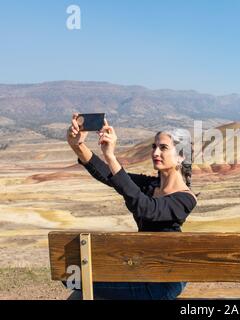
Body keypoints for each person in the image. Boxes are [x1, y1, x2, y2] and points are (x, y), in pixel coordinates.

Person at [66, 113, 197, 300]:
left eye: (163, 148)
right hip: (142, 270)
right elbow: (109, 176)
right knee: (75, 279)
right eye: (154, 147)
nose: (155, 153)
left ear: (181, 157)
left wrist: (111, 156)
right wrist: (77, 146)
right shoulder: (149, 186)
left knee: (76, 281)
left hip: (163, 282)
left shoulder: (186, 199)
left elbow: (146, 209)